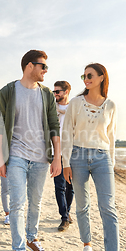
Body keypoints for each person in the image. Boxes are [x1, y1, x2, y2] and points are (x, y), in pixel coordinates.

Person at [0, 50, 61, 251]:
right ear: (29, 66)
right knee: (17, 204)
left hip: (42, 157)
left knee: (36, 202)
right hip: (16, 155)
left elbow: (54, 126)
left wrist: (58, 158)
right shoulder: (7, 92)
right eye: (43, 66)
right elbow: (0, 126)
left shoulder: (47, 95)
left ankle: (32, 237)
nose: (45, 71)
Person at [61, 63, 126, 251]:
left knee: (108, 207)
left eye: (90, 75)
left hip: (102, 158)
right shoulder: (75, 103)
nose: (85, 79)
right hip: (78, 157)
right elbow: (66, 133)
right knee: (82, 205)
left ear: (101, 77)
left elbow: (112, 137)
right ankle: (87, 244)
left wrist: (111, 162)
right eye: (84, 76)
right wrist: (65, 163)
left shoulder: (110, 105)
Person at [52, 81, 74, 232]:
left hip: (72, 152)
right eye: (54, 91)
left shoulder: (75, 108)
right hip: (56, 151)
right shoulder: (51, 108)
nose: (55, 94)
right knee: (59, 186)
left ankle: (68, 211)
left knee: (70, 186)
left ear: (66, 92)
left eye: (58, 91)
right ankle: (64, 217)